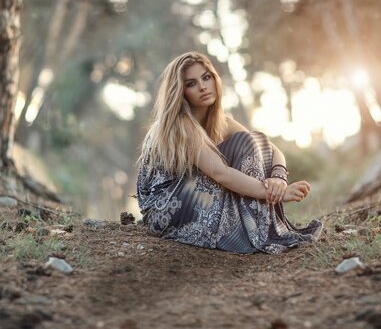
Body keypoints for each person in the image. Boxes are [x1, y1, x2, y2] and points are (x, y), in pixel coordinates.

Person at [136, 51, 323, 254]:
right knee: (240, 148)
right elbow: (220, 173)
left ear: (215, 79)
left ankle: (257, 228)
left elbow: (268, 147)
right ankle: (257, 231)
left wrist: (279, 179)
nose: (202, 86)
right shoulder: (181, 123)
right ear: (180, 91)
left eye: (206, 77)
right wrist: (276, 194)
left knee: (252, 140)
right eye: (191, 83)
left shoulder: (221, 121)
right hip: (165, 209)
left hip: (191, 194)